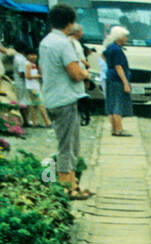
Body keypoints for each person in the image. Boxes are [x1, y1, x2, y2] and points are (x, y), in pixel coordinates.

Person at [38, 4, 94, 199]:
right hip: (65, 99)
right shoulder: (64, 44)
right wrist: (85, 73)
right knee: (68, 146)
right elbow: (75, 73)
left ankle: (73, 184)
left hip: (52, 97)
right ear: (69, 23)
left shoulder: (46, 41)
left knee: (71, 144)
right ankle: (66, 188)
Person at [102, 25, 131, 135]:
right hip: (117, 79)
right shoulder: (117, 50)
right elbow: (119, 67)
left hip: (110, 77)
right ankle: (119, 129)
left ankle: (113, 128)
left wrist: (109, 66)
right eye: (125, 36)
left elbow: (103, 55)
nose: (126, 38)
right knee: (118, 103)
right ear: (119, 37)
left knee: (111, 103)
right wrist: (125, 82)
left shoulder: (110, 47)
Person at [68, 24, 91, 127]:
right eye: (81, 31)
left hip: (82, 71)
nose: (82, 33)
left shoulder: (77, 42)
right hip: (78, 72)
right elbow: (75, 59)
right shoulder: (70, 42)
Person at [22, 51, 52, 127]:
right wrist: (39, 76)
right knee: (41, 104)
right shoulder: (28, 64)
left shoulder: (33, 64)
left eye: (34, 55)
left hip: (34, 86)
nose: (33, 56)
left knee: (35, 105)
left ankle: (35, 122)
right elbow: (28, 76)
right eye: (31, 54)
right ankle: (47, 122)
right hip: (33, 87)